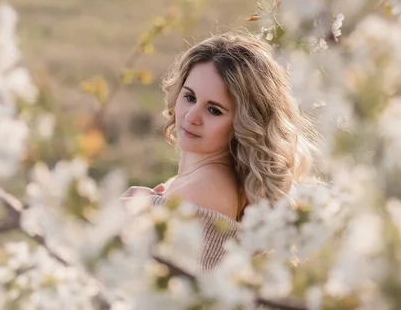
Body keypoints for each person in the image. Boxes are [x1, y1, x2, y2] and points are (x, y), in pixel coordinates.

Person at [121, 32, 318, 273]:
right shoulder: (206, 180)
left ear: (243, 123)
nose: (192, 117)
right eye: (190, 97)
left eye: (214, 110)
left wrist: (127, 213)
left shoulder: (200, 191)